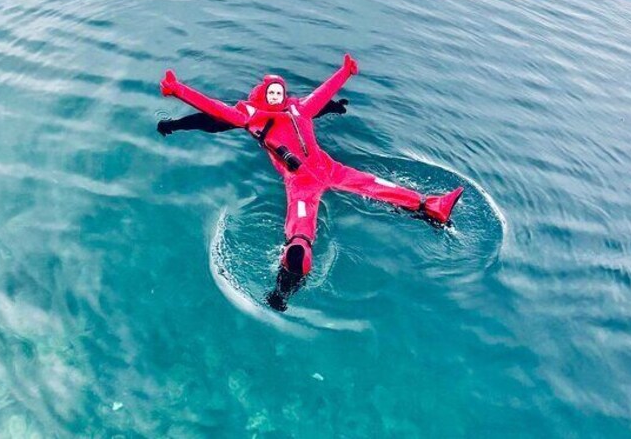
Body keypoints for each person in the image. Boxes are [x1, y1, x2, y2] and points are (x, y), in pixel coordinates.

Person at [159, 54, 463, 311]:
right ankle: (285, 282)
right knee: (301, 227)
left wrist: (345, 72)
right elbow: (212, 110)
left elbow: (322, 94)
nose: (276, 97)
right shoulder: (250, 116)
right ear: (263, 94)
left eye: (280, 92)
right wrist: (177, 91)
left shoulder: (298, 108)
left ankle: (431, 205)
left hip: (329, 167)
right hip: (300, 180)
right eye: (272, 93)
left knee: (377, 184)